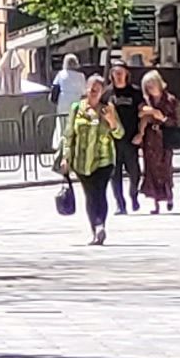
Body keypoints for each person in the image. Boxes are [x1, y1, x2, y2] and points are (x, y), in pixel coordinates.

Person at [56, 77, 122, 244]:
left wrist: (112, 121)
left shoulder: (107, 109)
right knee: (90, 195)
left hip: (103, 160)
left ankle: (100, 226)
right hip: (81, 161)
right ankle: (95, 229)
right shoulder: (77, 108)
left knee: (99, 193)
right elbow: (68, 135)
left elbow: (119, 133)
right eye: (91, 90)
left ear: (102, 93)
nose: (93, 94)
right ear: (86, 89)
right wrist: (65, 157)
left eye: (97, 91)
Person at [105, 63, 148, 213]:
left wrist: (140, 133)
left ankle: (133, 195)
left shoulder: (135, 92)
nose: (118, 75)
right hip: (113, 141)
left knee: (134, 171)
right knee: (114, 174)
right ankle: (120, 204)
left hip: (131, 139)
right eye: (115, 73)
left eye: (121, 72)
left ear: (126, 74)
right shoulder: (108, 93)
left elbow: (143, 113)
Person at [139, 69, 180, 209]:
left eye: (152, 84)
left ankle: (169, 196)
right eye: (148, 86)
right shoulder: (147, 101)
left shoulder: (170, 100)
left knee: (165, 168)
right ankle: (156, 202)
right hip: (150, 139)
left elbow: (175, 121)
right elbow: (140, 115)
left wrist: (162, 118)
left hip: (165, 138)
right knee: (151, 169)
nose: (151, 88)